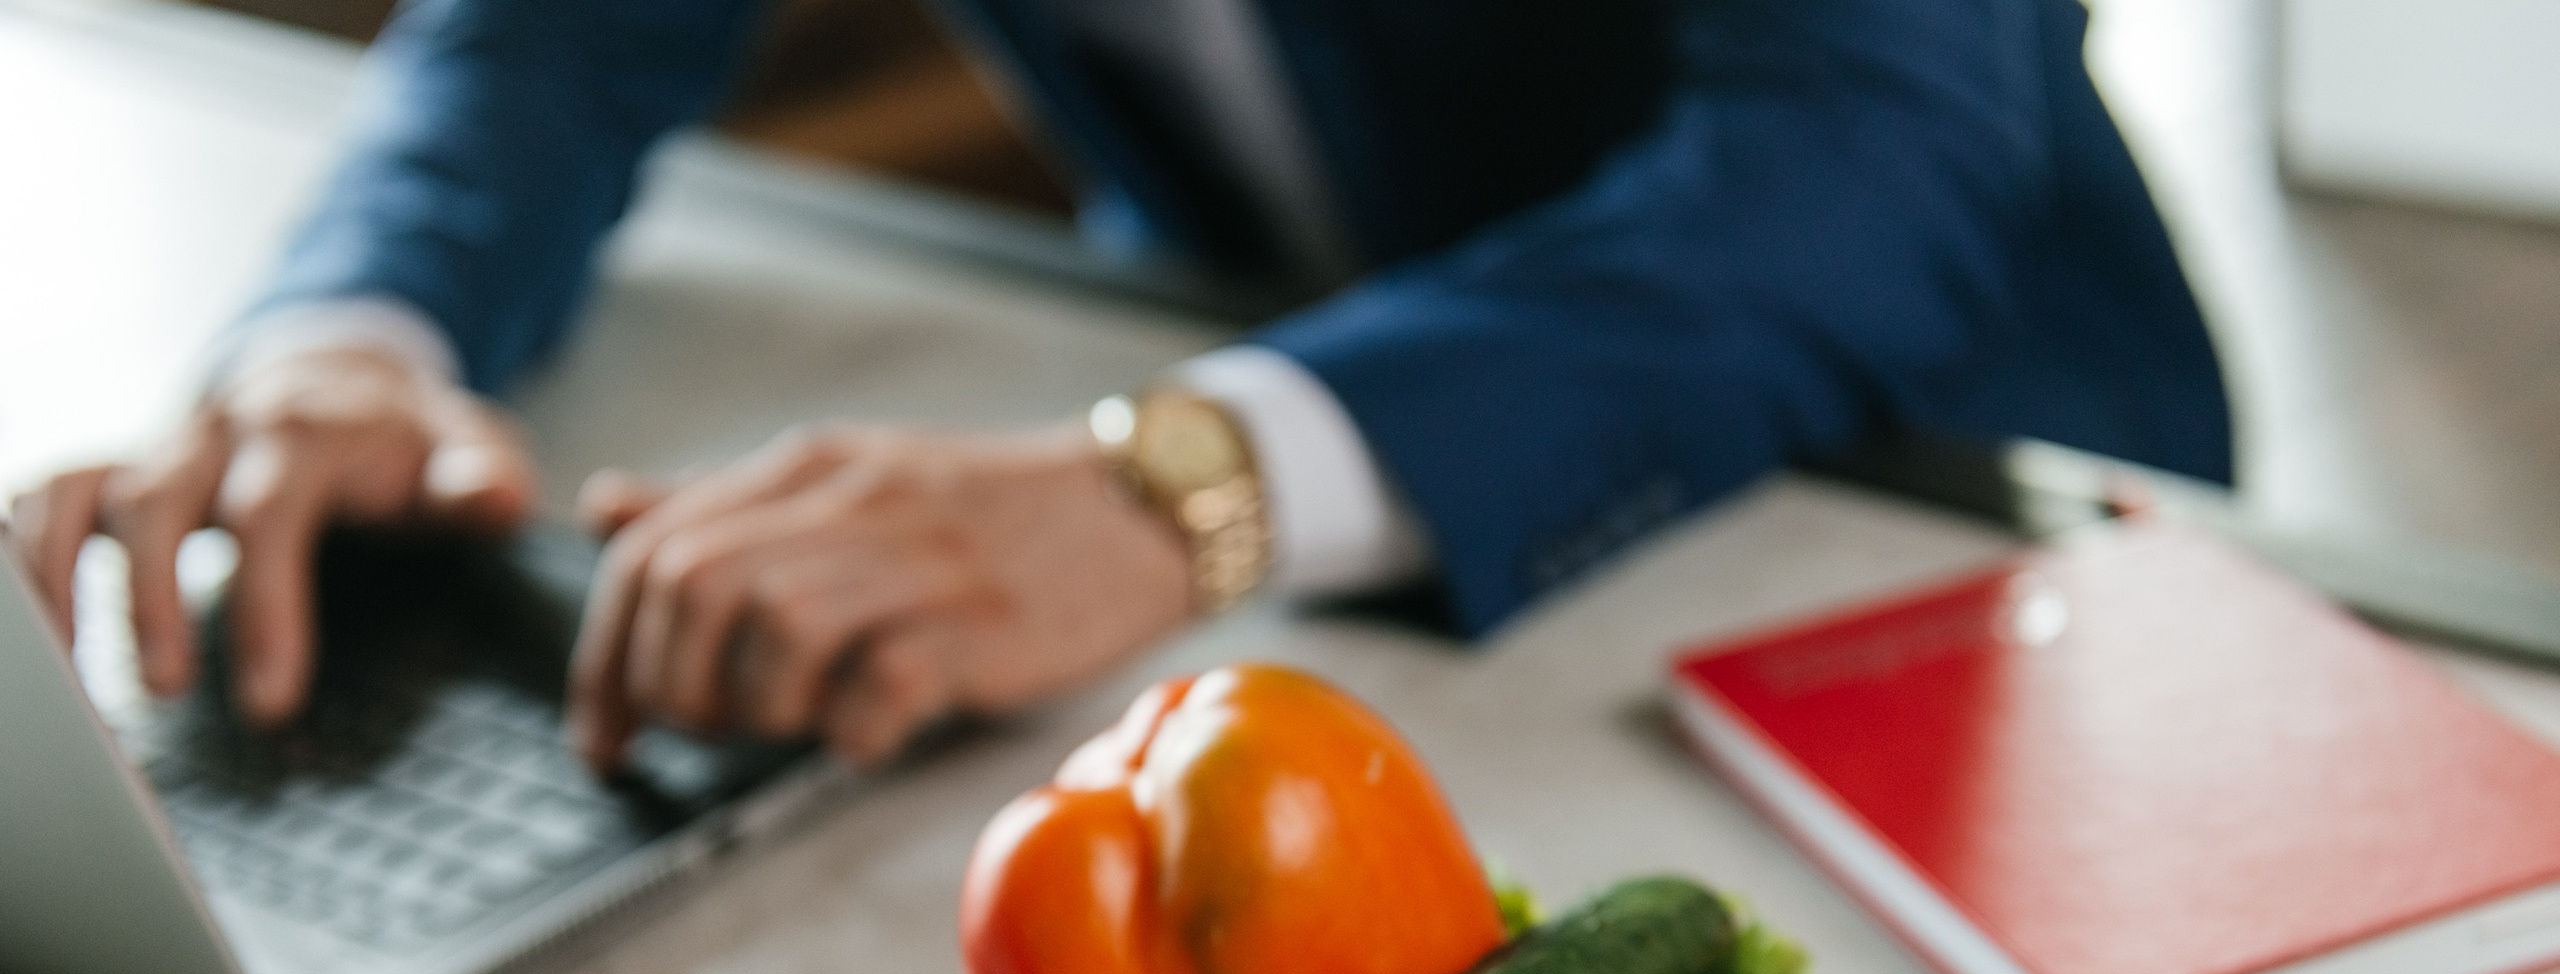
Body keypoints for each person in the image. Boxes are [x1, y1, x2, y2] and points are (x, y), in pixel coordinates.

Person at [9, 0, 2228, 770]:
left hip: (1941, 468)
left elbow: (1865, 153)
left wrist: (1175, 490)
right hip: (1263, 354)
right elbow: (559, 34)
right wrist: (347, 339)